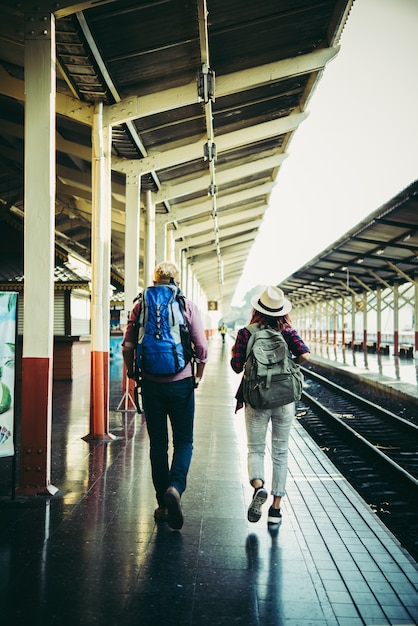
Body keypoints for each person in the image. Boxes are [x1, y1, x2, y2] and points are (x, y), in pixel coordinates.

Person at [122, 261, 208, 530]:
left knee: (158, 445)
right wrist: (198, 373)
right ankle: (176, 488)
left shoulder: (140, 304)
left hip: (150, 384)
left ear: (154, 280)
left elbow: (127, 345)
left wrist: (132, 371)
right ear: (177, 282)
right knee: (184, 441)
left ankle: (162, 504)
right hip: (181, 383)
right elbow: (202, 347)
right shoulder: (186, 305)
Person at [230, 285, 310, 526]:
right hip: (284, 399)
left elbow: (236, 365)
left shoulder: (247, 332)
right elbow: (305, 355)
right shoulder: (287, 331)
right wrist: (289, 363)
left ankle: (258, 487)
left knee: (255, 448)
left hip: (256, 397)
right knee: (281, 452)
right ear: (281, 311)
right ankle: (275, 509)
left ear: (258, 309)